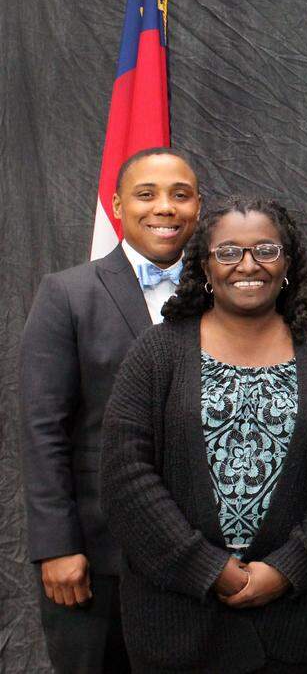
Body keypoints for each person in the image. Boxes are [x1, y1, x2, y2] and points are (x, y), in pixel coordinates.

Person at [100, 197, 307, 672]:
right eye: (228, 253)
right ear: (205, 266)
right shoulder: (157, 353)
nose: (248, 265)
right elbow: (127, 477)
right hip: (176, 624)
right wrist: (209, 569)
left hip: (292, 624)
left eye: (266, 250)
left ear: (287, 263)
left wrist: (288, 569)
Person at [19, 147, 200, 673]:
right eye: (146, 194)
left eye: (180, 195)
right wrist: (56, 547)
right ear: (117, 206)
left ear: (198, 206)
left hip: (200, 559)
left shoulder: (224, 294)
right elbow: (42, 430)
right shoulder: (67, 294)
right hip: (97, 558)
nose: (164, 207)